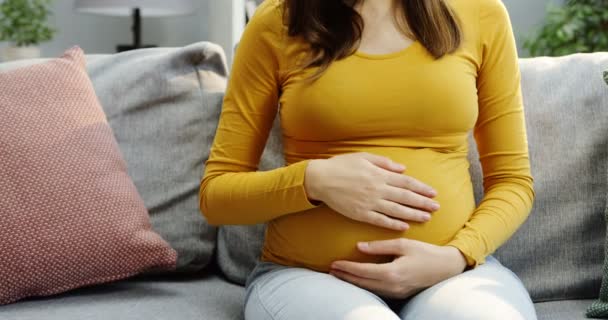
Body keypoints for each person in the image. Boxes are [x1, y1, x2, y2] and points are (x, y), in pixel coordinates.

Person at [199, 0, 537, 319]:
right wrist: (313, 181)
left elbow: (513, 182)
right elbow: (217, 197)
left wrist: (457, 256)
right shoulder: (277, 20)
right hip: (308, 277)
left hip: (452, 275)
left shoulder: (480, 12)